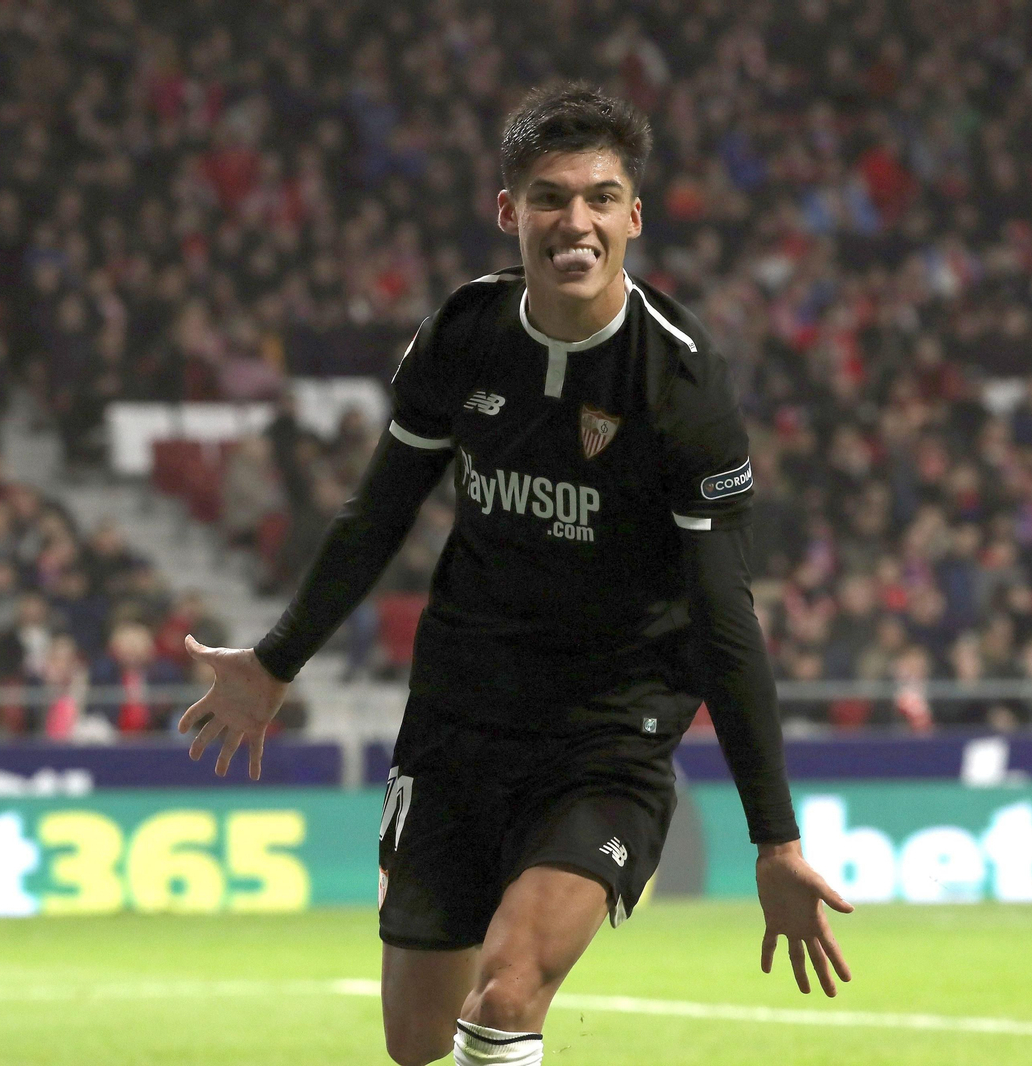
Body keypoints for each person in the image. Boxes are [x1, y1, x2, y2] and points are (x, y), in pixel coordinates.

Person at [181, 84, 851, 1066]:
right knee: (417, 1043)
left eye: (600, 197)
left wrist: (776, 839)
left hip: (608, 728)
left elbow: (723, 619)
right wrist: (278, 659)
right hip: (460, 713)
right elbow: (376, 516)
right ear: (509, 211)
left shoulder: (681, 384)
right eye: (549, 197)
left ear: (633, 216)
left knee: (506, 991)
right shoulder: (464, 333)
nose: (575, 220)